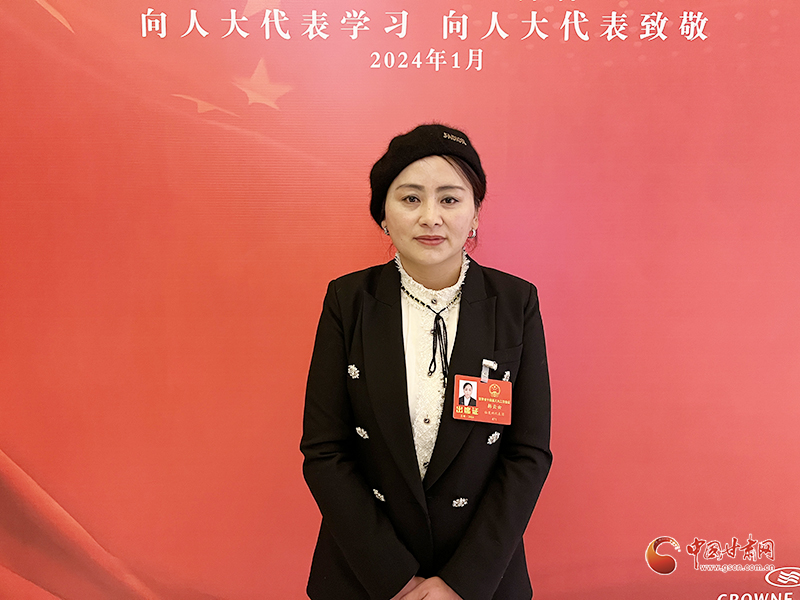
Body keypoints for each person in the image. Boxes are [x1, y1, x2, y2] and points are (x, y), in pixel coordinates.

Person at [301, 124, 552, 600]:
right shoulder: (348, 301)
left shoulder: (515, 303)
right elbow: (325, 450)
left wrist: (463, 583)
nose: (430, 218)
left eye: (450, 199)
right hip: (366, 575)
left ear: (475, 212)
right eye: (411, 199)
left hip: (481, 577)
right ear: (383, 214)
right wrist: (394, 579)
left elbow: (528, 453)